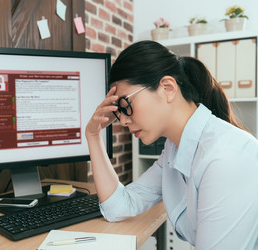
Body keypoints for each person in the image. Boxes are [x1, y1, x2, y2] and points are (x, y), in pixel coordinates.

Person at [85, 40, 258, 249]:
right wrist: (93, 135)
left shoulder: (226, 158)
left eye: (125, 105)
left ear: (167, 88)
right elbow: (119, 207)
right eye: (117, 112)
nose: (122, 121)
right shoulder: (174, 150)